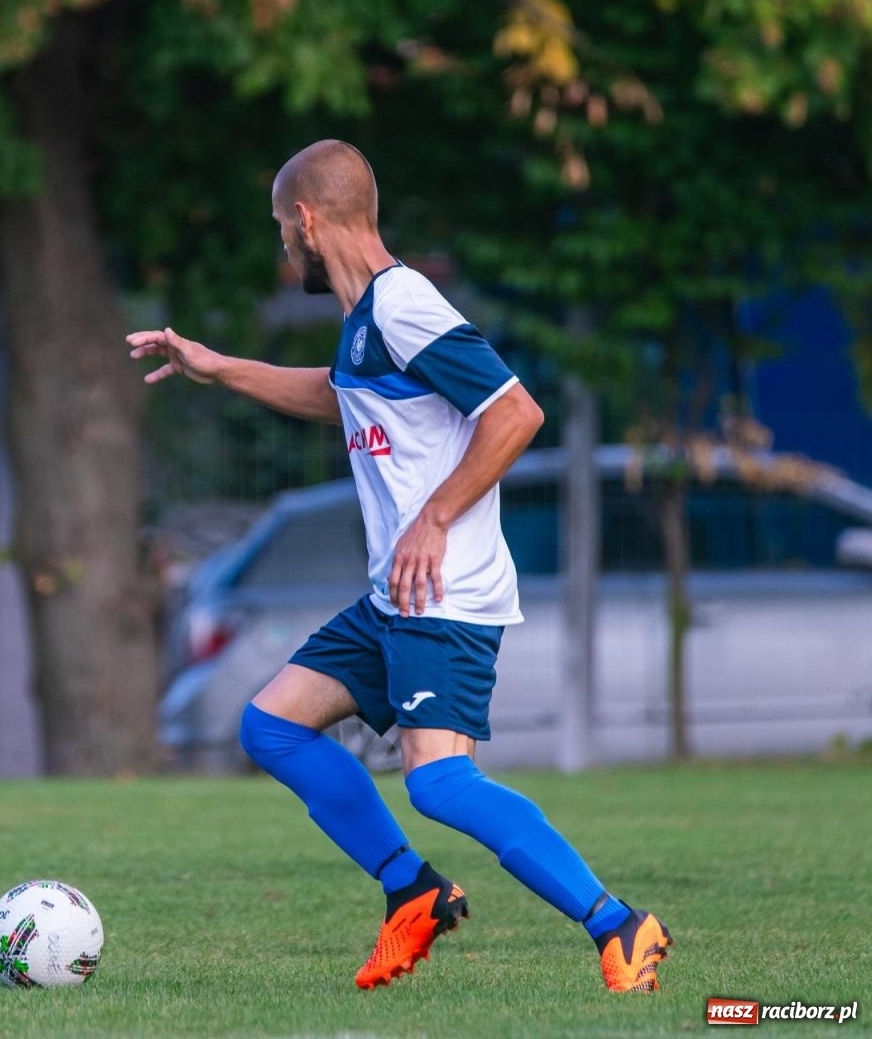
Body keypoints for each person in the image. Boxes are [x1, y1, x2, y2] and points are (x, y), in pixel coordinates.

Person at [127, 140, 670, 994]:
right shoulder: (365, 324)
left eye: (281, 229)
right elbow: (334, 393)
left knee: (442, 783)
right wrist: (217, 365)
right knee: (270, 725)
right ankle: (411, 890)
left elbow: (516, 411)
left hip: (443, 596)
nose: (282, 248)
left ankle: (619, 924)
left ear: (307, 219)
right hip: (393, 598)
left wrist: (435, 517)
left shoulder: (405, 303)